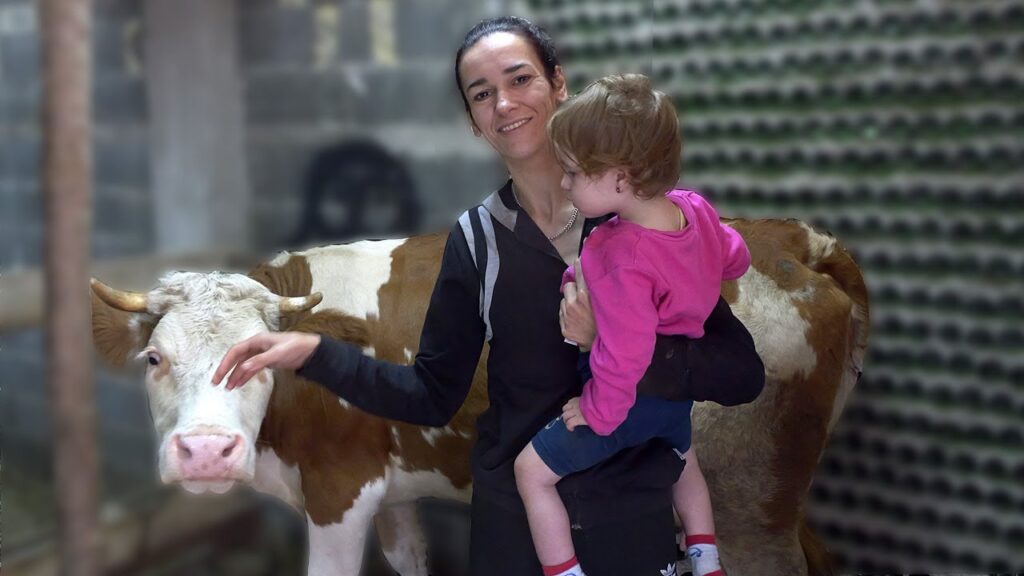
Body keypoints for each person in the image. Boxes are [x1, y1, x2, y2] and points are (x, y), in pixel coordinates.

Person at [213, 16, 763, 576]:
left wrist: (613, 340)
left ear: (558, 83)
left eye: (520, 79)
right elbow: (430, 395)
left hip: (631, 525)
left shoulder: (642, 216)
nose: (503, 103)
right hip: (513, 534)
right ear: (474, 122)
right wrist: (314, 353)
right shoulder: (475, 240)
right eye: (481, 94)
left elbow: (741, 374)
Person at [513, 74, 749, 576]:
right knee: (684, 462)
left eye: (573, 173)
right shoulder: (694, 209)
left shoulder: (621, 256)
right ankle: (706, 560)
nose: (564, 183)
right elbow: (736, 257)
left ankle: (565, 571)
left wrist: (596, 412)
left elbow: (626, 355)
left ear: (620, 178)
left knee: (530, 473)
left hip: (627, 404)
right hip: (675, 403)